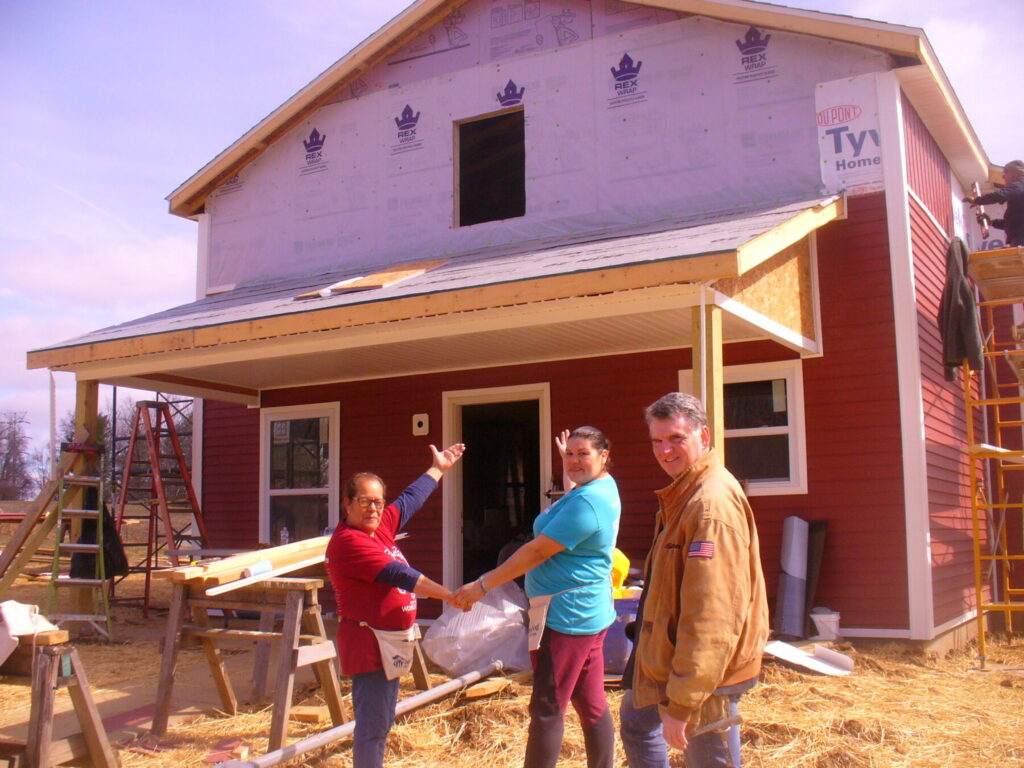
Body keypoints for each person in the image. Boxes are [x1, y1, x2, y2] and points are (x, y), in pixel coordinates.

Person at [451, 426, 621, 768]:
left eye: (583, 454)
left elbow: (536, 552)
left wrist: (481, 585)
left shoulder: (588, 502)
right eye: (569, 454)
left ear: (604, 456)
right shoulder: (597, 488)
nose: (573, 460)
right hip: (588, 612)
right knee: (591, 704)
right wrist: (572, 468)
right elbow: (574, 503)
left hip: (566, 618)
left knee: (547, 707)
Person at [620, 393, 768, 768]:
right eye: (657, 441)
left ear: (703, 437)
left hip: (708, 673)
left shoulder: (709, 505)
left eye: (676, 439)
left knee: (708, 758)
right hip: (672, 657)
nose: (665, 451)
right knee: (637, 722)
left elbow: (712, 614)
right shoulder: (685, 493)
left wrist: (684, 702)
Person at [325, 442, 465, 768]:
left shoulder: (379, 528)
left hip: (391, 641)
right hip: (369, 644)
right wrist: (450, 596)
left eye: (378, 501)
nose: (373, 508)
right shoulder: (349, 541)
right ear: (347, 503)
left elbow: (410, 499)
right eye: (364, 501)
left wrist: (438, 469)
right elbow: (401, 576)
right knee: (372, 727)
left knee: (383, 720)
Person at [964, 160, 1024, 246]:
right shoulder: (1019, 195)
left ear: (1016, 173)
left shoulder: (1020, 185)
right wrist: (991, 222)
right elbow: (1014, 223)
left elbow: (1000, 195)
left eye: (1006, 171)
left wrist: (978, 200)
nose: (1003, 176)